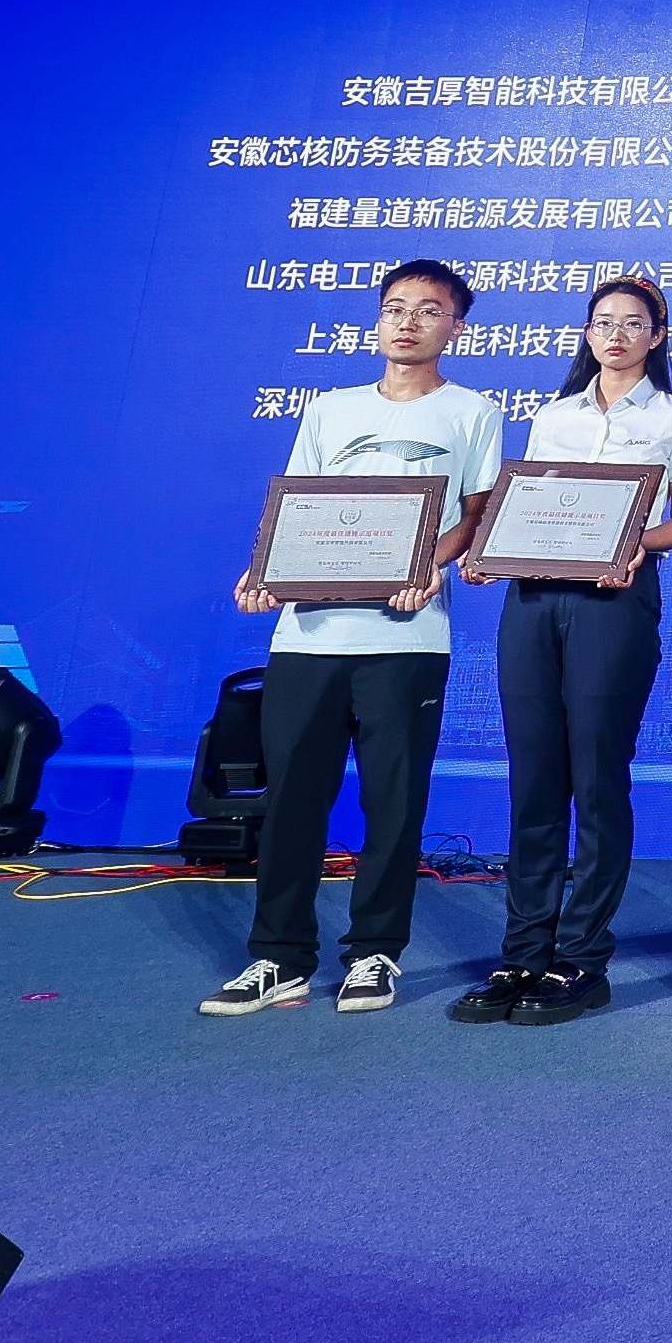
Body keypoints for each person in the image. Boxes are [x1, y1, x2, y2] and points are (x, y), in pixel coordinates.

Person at [204, 257, 501, 1018]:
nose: (407, 322)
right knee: (292, 801)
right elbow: (296, 508)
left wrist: (428, 566)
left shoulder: (473, 412)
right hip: (308, 636)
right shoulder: (329, 409)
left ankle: (375, 951)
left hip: (407, 637)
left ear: (455, 327)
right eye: (395, 307)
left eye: (427, 310)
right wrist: (263, 573)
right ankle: (279, 957)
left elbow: (475, 517)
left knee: (392, 804)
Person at [450, 276, 672, 1029]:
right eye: (602, 323)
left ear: (657, 335)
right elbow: (529, 505)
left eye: (633, 323)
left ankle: (582, 958)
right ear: (587, 334)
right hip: (533, 599)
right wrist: (490, 549)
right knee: (534, 780)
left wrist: (633, 542)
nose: (616, 335)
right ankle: (521, 951)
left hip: (614, 600)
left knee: (596, 778)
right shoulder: (554, 414)